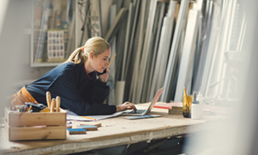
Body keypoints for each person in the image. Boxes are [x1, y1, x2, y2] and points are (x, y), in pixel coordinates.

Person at [9, 37, 137, 115]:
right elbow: (82, 109)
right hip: (24, 105)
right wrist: (117, 108)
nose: (107, 63)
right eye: (104, 58)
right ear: (91, 55)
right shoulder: (67, 73)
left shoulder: (91, 74)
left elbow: (91, 103)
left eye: (108, 59)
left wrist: (101, 82)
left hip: (43, 111)